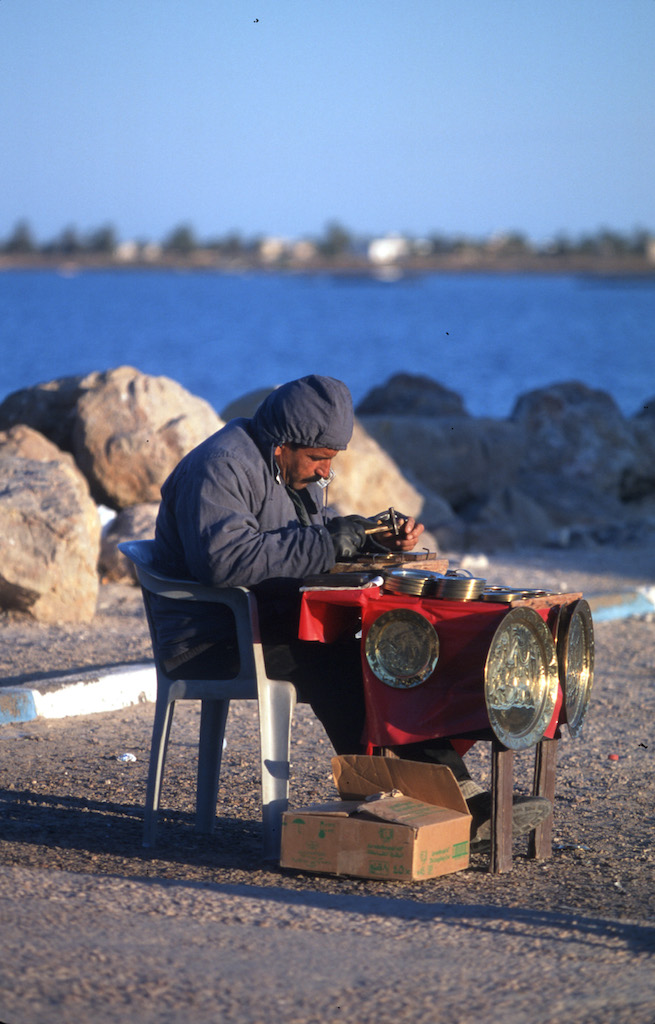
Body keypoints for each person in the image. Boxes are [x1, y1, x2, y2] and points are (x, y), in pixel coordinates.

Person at [153, 374, 550, 845]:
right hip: (211, 638)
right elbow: (225, 561)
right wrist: (328, 543)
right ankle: (432, 804)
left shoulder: (287, 469)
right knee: (348, 665)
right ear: (282, 445)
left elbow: (301, 539)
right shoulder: (221, 466)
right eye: (318, 458)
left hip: (266, 622)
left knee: (390, 653)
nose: (325, 472)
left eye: (332, 460)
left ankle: (445, 799)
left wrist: (367, 538)